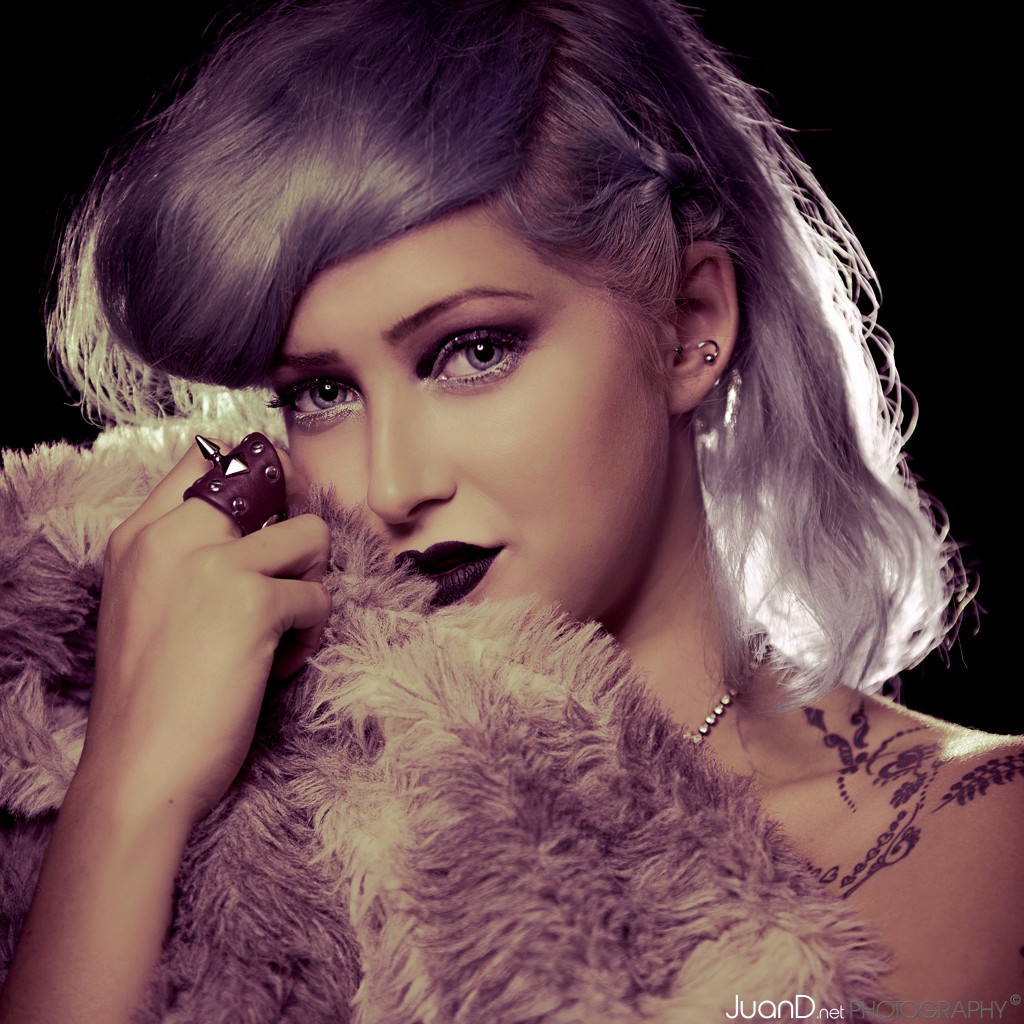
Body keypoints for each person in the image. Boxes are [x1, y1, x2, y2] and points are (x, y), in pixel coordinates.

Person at [1, 1, 1020, 1021]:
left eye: (474, 351)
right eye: (322, 392)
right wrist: (128, 791)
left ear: (687, 326)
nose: (393, 484)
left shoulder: (978, 843)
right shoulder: (252, 831)